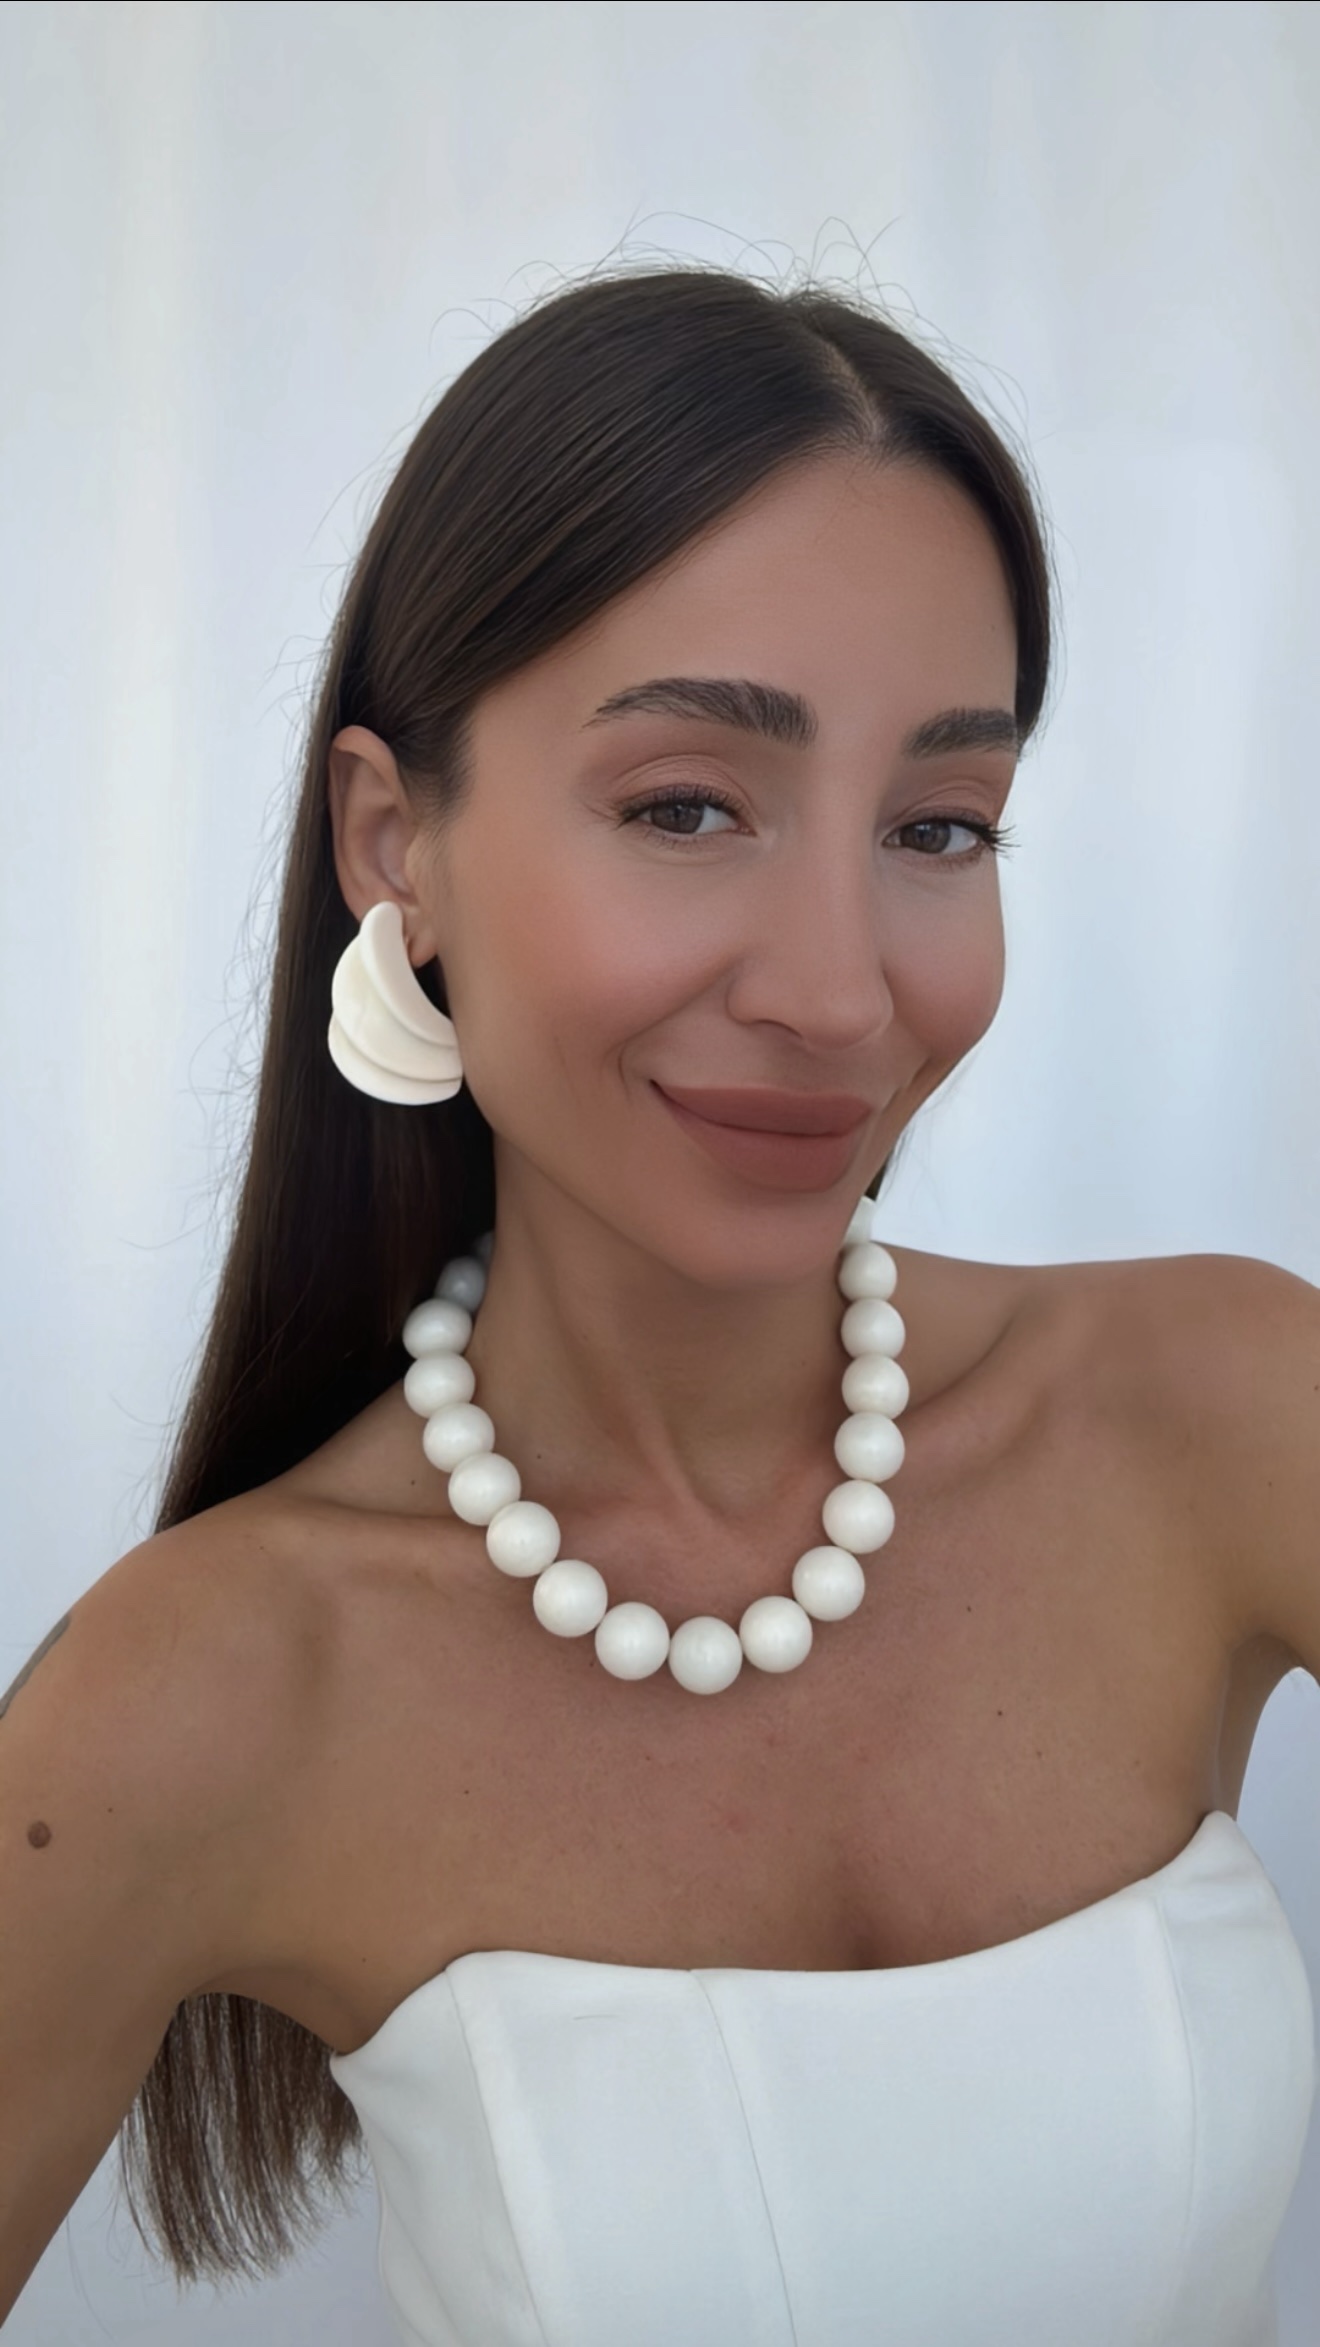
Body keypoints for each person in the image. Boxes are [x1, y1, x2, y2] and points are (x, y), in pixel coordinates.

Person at [2, 264, 1317, 2347]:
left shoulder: (1226, 1411)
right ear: (394, 845)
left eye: (938, 826)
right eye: (686, 806)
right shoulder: (216, 1688)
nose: (839, 989)